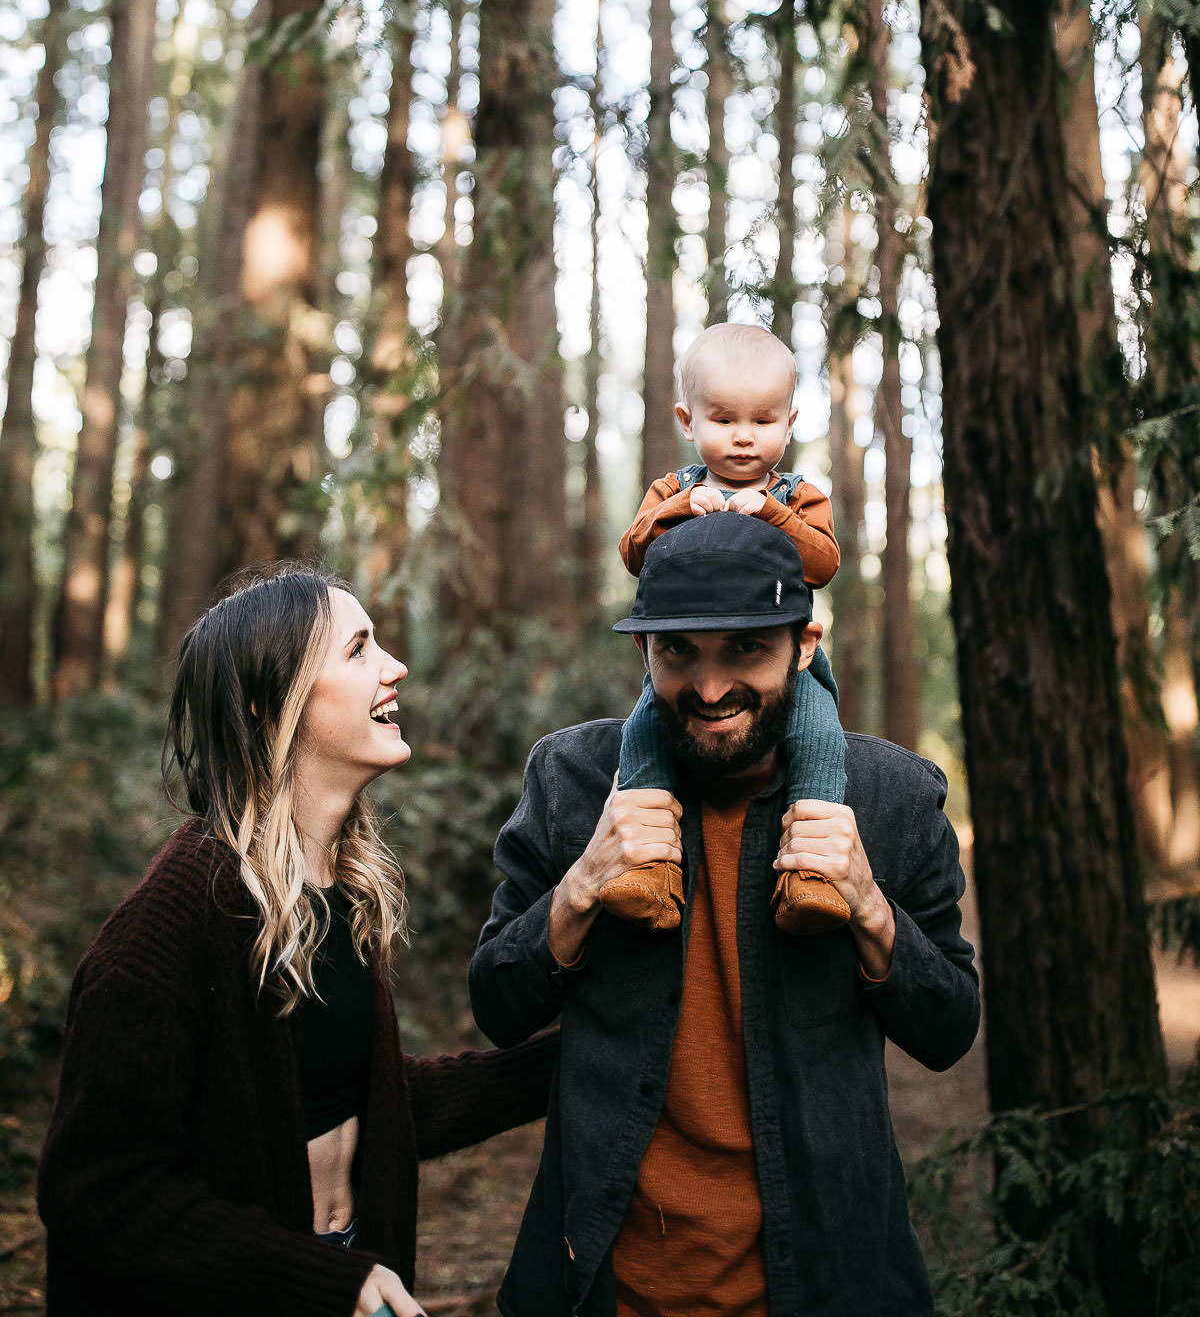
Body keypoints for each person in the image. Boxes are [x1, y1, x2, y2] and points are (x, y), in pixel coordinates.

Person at [470, 515, 980, 1317]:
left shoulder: (893, 798)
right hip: (607, 1285)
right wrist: (582, 885)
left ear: (804, 646)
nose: (709, 690)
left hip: (824, 1283)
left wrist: (870, 907)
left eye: (745, 649)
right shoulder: (572, 780)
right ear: (644, 652)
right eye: (679, 652)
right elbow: (499, 1007)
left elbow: (949, 1030)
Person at [38, 564, 556, 1317]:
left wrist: (572, 1060)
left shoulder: (336, 890)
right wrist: (318, 1279)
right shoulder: (171, 925)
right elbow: (97, 1190)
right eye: (359, 649)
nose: (395, 667)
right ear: (268, 702)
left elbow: (371, 1100)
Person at [605, 322, 847, 935]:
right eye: (723, 419)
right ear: (688, 421)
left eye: (763, 420)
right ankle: (650, 868)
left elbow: (823, 562)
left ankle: (811, 872)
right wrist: (678, 510)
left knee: (818, 731)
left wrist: (773, 514)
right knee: (643, 731)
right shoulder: (674, 488)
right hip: (685, 651)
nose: (743, 436)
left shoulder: (798, 496)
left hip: (780, 658)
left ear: (789, 424)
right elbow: (633, 552)